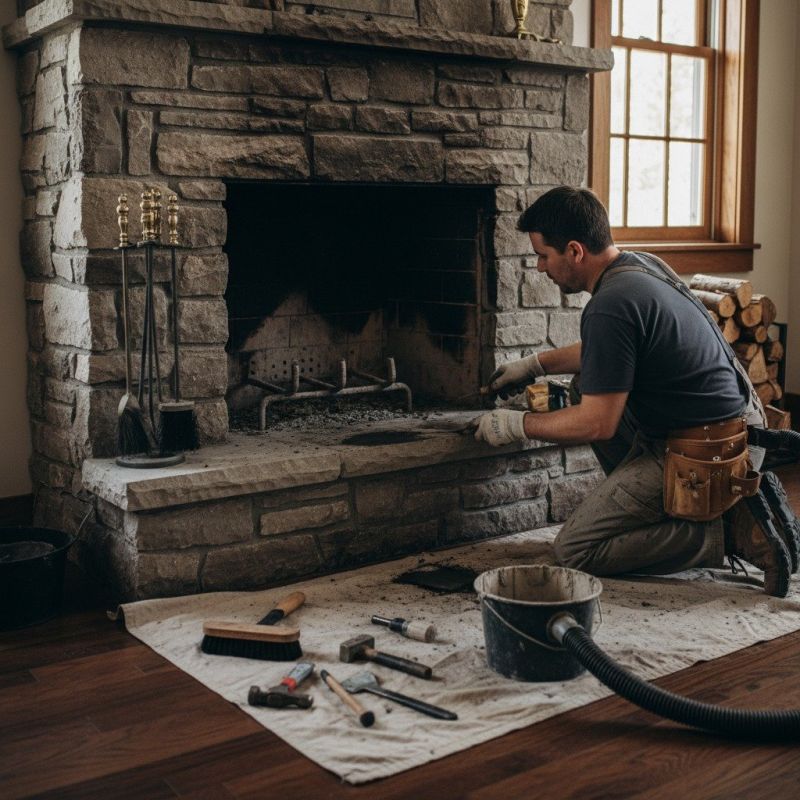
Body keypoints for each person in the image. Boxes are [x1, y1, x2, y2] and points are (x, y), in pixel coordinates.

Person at [472, 186, 791, 596]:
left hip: (711, 450)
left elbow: (598, 424)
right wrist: (535, 364)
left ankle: (725, 532)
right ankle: (670, 509)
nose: (538, 267)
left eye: (543, 255)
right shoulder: (641, 265)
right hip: (738, 426)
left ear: (574, 251)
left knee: (575, 550)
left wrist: (517, 425)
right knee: (585, 385)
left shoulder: (609, 305)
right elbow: (612, 351)